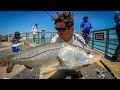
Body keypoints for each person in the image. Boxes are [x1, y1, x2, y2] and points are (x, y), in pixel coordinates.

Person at [50, 12, 97, 79]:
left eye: (62, 29)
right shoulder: (55, 40)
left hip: (75, 65)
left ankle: (77, 73)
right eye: (57, 29)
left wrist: (88, 61)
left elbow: (88, 54)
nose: (58, 32)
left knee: (80, 63)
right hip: (61, 64)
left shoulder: (79, 40)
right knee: (55, 75)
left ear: (71, 29)